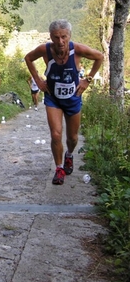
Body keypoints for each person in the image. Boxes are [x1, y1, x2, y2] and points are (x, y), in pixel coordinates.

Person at [24, 20, 103, 185]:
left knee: (72, 138)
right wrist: (38, 80)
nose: (60, 41)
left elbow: (99, 57)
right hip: (53, 98)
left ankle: (69, 155)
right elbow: (28, 58)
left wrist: (87, 80)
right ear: (51, 37)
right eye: (56, 37)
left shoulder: (78, 50)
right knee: (56, 134)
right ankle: (59, 168)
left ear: (69, 36)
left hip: (73, 98)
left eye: (63, 37)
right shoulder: (45, 50)